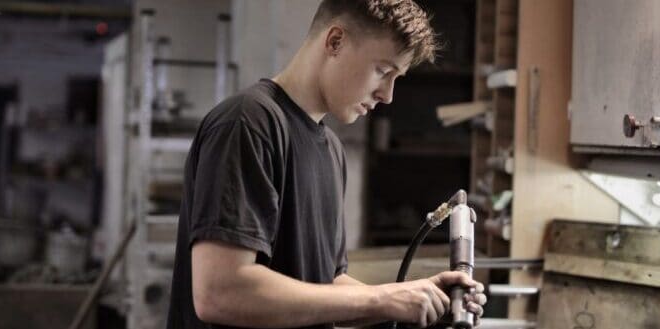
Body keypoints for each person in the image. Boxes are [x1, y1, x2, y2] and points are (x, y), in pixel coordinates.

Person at [166, 1, 487, 328]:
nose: (387, 95)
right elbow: (220, 293)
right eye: (383, 71)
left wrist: (411, 301)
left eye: (396, 78)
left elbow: (325, 286)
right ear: (335, 41)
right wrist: (383, 299)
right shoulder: (248, 124)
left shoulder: (331, 150)